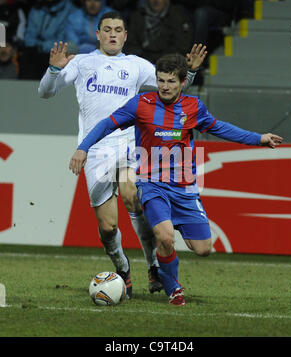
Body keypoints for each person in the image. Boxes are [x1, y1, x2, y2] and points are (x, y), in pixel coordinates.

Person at [69, 53, 283, 305]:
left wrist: (258, 138)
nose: (164, 86)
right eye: (160, 80)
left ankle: (162, 267)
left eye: (170, 81)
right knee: (166, 236)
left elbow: (221, 128)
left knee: (203, 249)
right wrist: (83, 147)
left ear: (182, 82)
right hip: (151, 184)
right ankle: (173, 287)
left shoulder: (193, 107)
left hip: (184, 188)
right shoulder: (141, 104)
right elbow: (107, 124)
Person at [38, 11, 206, 299]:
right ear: (98, 34)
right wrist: (53, 70)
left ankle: (154, 266)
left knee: (132, 195)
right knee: (108, 225)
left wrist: (188, 72)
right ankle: (123, 268)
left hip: (129, 145)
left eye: (118, 29)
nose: (113, 34)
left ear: (125, 35)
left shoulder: (137, 66)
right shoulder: (82, 63)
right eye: (107, 29)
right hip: (96, 150)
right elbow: (45, 93)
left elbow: (172, 89)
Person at [19, 0, 77, 79]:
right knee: (25, 58)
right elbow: (29, 37)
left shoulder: (70, 9)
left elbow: (64, 40)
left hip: (57, 52)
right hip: (36, 50)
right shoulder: (36, 9)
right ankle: (27, 89)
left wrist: (42, 46)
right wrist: (39, 46)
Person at [124, 0, 194, 65]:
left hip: (168, 64)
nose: (156, 1)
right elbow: (130, 43)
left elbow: (182, 46)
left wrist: (160, 60)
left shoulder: (178, 16)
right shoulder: (137, 16)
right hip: (142, 62)